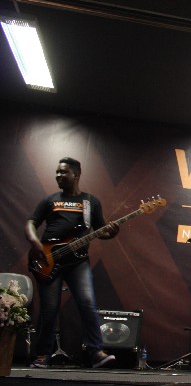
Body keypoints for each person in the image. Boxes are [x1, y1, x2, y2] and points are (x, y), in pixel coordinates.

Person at [25, 157, 120, 368]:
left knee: (87, 303)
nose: (58, 175)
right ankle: (43, 355)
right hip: (47, 259)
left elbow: (101, 231)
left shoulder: (90, 202)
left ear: (76, 175)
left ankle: (96, 353)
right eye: (57, 172)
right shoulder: (50, 200)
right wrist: (34, 242)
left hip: (78, 262)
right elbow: (31, 222)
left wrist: (113, 232)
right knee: (50, 309)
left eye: (63, 172)